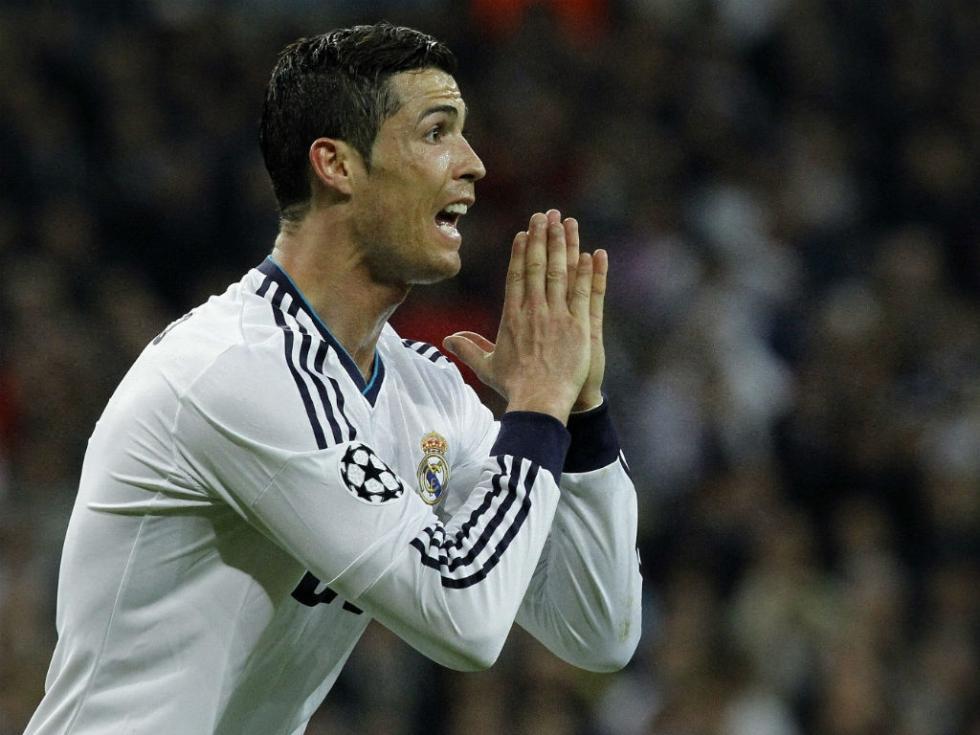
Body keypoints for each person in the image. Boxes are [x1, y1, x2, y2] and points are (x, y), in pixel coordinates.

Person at [26, 22, 641, 734]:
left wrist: (582, 410)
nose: (473, 163)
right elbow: (463, 616)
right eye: (437, 132)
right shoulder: (238, 369)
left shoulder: (426, 395)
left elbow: (598, 630)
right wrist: (535, 405)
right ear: (337, 165)